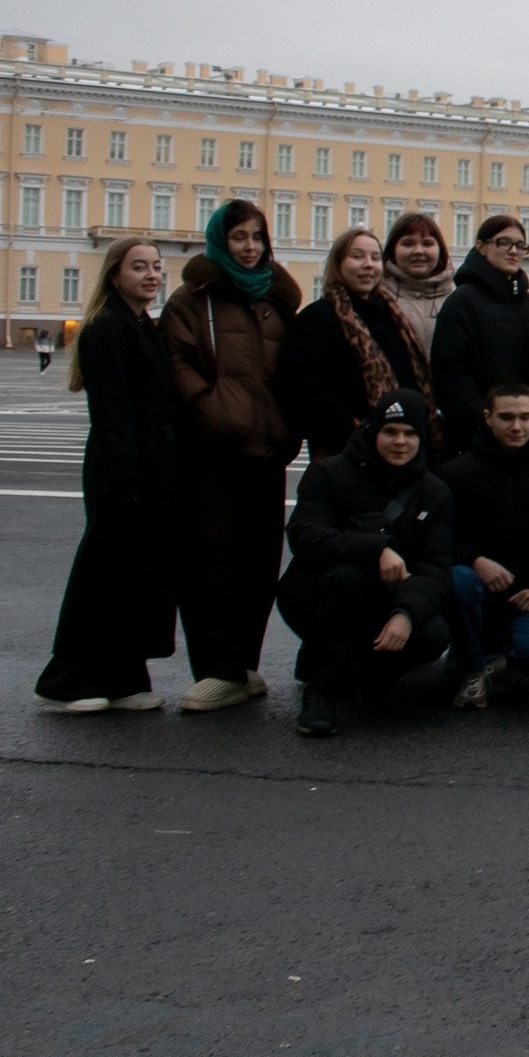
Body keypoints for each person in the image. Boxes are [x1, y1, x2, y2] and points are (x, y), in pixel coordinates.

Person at [161, 199, 302, 713]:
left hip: (266, 453)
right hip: (213, 452)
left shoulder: (276, 303)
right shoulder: (190, 301)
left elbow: (292, 373)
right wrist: (212, 410)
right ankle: (216, 670)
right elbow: (177, 364)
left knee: (259, 563)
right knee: (210, 561)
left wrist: (287, 429)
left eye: (257, 238)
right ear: (221, 241)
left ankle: (243, 664)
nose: (249, 248)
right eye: (239, 238)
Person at [34, 238, 180, 713]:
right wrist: (126, 479)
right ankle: (67, 678)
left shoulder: (141, 325)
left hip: (152, 460)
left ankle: (123, 675)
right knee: (103, 572)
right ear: (115, 274)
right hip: (123, 464)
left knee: (138, 573)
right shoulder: (104, 329)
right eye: (139, 267)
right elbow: (112, 413)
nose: (151, 275)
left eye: (157, 267)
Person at [277, 390, 453, 736]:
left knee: (433, 634)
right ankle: (323, 689)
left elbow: (434, 567)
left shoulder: (435, 492)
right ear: (373, 432)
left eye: (410, 433)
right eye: (391, 432)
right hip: (317, 594)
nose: (400, 442)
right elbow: (304, 534)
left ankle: (372, 673)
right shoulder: (327, 473)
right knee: (347, 578)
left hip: (388, 599)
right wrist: (374, 549)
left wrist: (406, 614)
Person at [434, 383, 529, 708]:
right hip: (479, 589)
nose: (517, 427)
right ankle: (474, 669)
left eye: (524, 417)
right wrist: (475, 559)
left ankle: (511, 666)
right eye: (506, 417)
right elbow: (438, 538)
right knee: (458, 580)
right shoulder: (456, 473)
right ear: (488, 418)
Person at [280, 226, 437, 466]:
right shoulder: (317, 318)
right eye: (357, 256)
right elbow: (305, 387)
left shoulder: (392, 317)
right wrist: (357, 431)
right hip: (344, 452)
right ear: (338, 263)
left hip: (400, 452)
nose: (368, 265)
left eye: (375, 258)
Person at [433, 214, 529, 448]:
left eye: (520, 245)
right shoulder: (461, 303)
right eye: (503, 242)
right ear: (481, 247)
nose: (513, 251)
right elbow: (451, 374)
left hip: (526, 434)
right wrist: (488, 421)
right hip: (475, 436)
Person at [383, 211, 454, 358]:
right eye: (408, 243)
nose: (418, 251)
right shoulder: (375, 299)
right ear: (392, 249)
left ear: (440, 250)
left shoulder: (457, 300)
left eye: (427, 243)